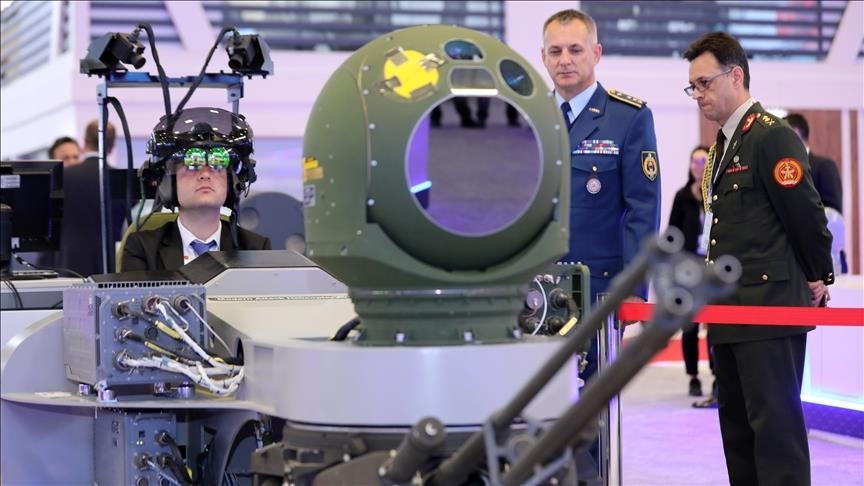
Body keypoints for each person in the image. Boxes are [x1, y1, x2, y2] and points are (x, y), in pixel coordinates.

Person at [683, 32, 833, 485]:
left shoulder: (771, 136)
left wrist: (818, 275)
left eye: (705, 83)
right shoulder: (723, 145)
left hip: (769, 310)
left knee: (776, 437)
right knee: (739, 437)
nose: (698, 95)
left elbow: (806, 215)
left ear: (736, 76)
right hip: (730, 311)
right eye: (693, 87)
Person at [541, 8, 660, 381]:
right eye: (555, 51)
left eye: (575, 49)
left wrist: (635, 286)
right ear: (543, 57)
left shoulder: (628, 117)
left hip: (599, 289)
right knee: (538, 398)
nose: (565, 60)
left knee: (591, 400)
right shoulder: (531, 116)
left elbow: (643, 209)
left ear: (596, 53)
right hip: (537, 286)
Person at [121, 107, 270, 271]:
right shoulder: (142, 248)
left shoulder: (256, 248)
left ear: (231, 181)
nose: (205, 175)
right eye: (192, 165)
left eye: (217, 164)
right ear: (169, 181)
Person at [668, 146, 717, 400]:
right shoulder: (682, 197)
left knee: (716, 325)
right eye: (694, 161)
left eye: (703, 161)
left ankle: (717, 375)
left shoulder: (717, 194)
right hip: (687, 271)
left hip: (712, 269)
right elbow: (672, 234)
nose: (698, 166)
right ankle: (693, 377)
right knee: (690, 327)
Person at [784, 112, 846, 274]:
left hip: (823, 257)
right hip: (791, 259)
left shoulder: (824, 166)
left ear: (796, 133)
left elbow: (833, 212)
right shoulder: (782, 169)